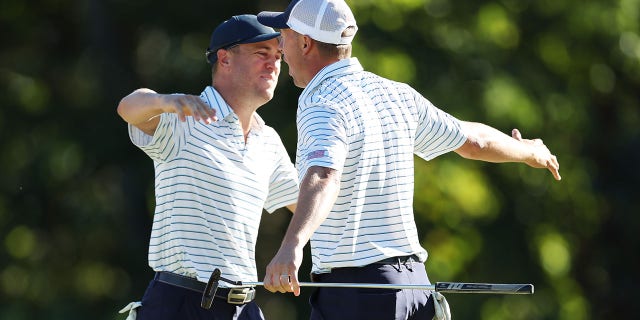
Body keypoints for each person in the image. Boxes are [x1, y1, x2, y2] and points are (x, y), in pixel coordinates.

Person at [255, 1, 562, 319]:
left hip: (358, 294)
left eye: (284, 35)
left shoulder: (321, 101)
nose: (280, 46)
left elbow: (323, 175)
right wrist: (529, 151)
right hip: (415, 287)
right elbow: (474, 141)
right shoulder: (395, 94)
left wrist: (292, 245)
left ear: (305, 42)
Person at [116, 14, 299, 320]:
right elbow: (128, 106)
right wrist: (165, 101)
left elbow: (308, 206)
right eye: (261, 54)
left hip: (244, 308)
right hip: (181, 303)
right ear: (224, 59)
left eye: (278, 56)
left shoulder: (267, 140)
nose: (273, 64)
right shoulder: (184, 116)